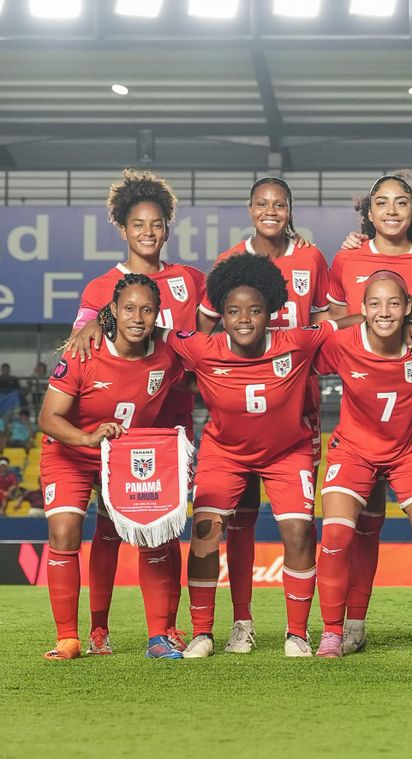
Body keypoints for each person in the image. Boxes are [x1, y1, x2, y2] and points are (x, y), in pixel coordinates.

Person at [167, 254, 358, 659]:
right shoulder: (202, 347)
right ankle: (203, 632)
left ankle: (297, 634)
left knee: (300, 532)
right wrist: (97, 322)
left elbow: (345, 323)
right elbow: (152, 332)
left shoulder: (296, 341)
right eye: (233, 311)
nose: (244, 319)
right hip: (224, 453)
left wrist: (405, 319)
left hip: (286, 453)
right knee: (205, 533)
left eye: (254, 310)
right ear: (221, 314)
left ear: (271, 311)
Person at [68, 168, 204, 656]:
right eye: (138, 224)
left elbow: (208, 340)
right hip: (121, 431)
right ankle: (98, 629)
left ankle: (166, 628)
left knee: (166, 528)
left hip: (173, 427)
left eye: (157, 224)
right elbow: (80, 342)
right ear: (122, 228)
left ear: (167, 228)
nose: (148, 232)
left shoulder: (191, 280)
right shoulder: (101, 287)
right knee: (108, 528)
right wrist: (85, 326)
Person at [327, 173, 412, 654]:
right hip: (363, 414)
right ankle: (351, 625)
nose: (390, 210)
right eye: (381, 203)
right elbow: (331, 325)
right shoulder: (347, 258)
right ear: (368, 212)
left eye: (400, 202)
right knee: (363, 526)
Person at [196, 176, 331, 655]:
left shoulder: (312, 258)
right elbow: (202, 331)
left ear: (291, 209)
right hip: (236, 408)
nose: (270, 211)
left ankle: (298, 631)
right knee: (236, 522)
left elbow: (328, 321)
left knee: (298, 526)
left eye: (279, 204)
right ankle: (238, 624)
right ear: (249, 208)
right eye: (261, 203)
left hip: (295, 408)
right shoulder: (229, 261)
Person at [37, 274, 185, 660]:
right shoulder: (84, 352)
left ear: (158, 314)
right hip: (70, 452)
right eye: (129, 308)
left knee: (146, 535)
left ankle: (155, 637)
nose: (137, 317)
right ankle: (68, 638)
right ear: (114, 311)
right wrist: (87, 438)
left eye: (147, 310)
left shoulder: (168, 355)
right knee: (65, 532)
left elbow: (206, 368)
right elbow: (48, 418)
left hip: (121, 457)